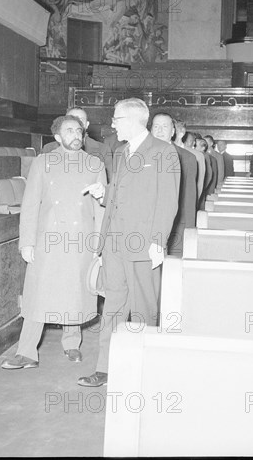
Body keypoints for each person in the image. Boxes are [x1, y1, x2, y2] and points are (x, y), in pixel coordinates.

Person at [78, 98, 180, 387]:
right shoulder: (121, 152)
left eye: (116, 119)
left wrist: (158, 241)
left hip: (143, 244)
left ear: (134, 120)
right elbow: (120, 193)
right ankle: (105, 367)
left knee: (144, 309)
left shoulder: (163, 151)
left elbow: (167, 201)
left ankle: (145, 370)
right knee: (112, 307)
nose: (112, 124)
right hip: (114, 244)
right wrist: (103, 193)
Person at [1, 115, 107, 370]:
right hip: (47, 239)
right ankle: (26, 351)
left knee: (74, 291)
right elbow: (30, 203)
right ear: (57, 137)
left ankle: (71, 344)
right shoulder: (43, 162)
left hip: (81, 238)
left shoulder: (95, 164)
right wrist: (26, 242)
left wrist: (98, 244)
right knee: (38, 294)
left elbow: (102, 208)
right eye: (69, 131)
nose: (76, 135)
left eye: (79, 130)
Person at [151, 113, 196, 255]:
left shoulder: (187, 158)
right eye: (156, 126)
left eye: (165, 127)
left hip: (175, 226)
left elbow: (189, 198)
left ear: (173, 132)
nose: (159, 131)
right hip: (146, 226)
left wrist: (189, 231)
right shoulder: (141, 155)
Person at [43, 107, 113, 181]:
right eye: (70, 119)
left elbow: (109, 182)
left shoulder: (103, 150)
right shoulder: (49, 149)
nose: (76, 123)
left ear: (87, 124)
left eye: (81, 120)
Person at [175, 121, 207, 208]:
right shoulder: (162, 150)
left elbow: (199, 185)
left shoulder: (196, 156)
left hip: (186, 204)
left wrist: (192, 204)